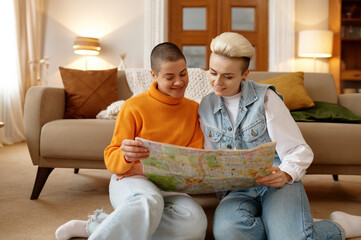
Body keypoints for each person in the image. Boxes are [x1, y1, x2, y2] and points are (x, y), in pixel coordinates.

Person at [198, 32, 361, 240]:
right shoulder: (205, 106)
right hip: (238, 191)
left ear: (245, 74)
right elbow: (211, 155)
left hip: (277, 183)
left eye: (228, 76)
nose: (217, 82)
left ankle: (340, 226)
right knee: (228, 231)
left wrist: (284, 174)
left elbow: (298, 150)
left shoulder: (266, 98)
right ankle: (296, 227)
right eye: (213, 72)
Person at [55, 42, 207, 240]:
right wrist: (125, 156)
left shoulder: (194, 110)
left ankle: (98, 226)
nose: (179, 82)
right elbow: (111, 157)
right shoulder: (133, 106)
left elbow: (193, 160)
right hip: (133, 182)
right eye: (169, 77)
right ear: (154, 76)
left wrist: (151, 169)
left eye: (183, 73)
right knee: (148, 201)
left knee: (195, 224)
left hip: (171, 186)